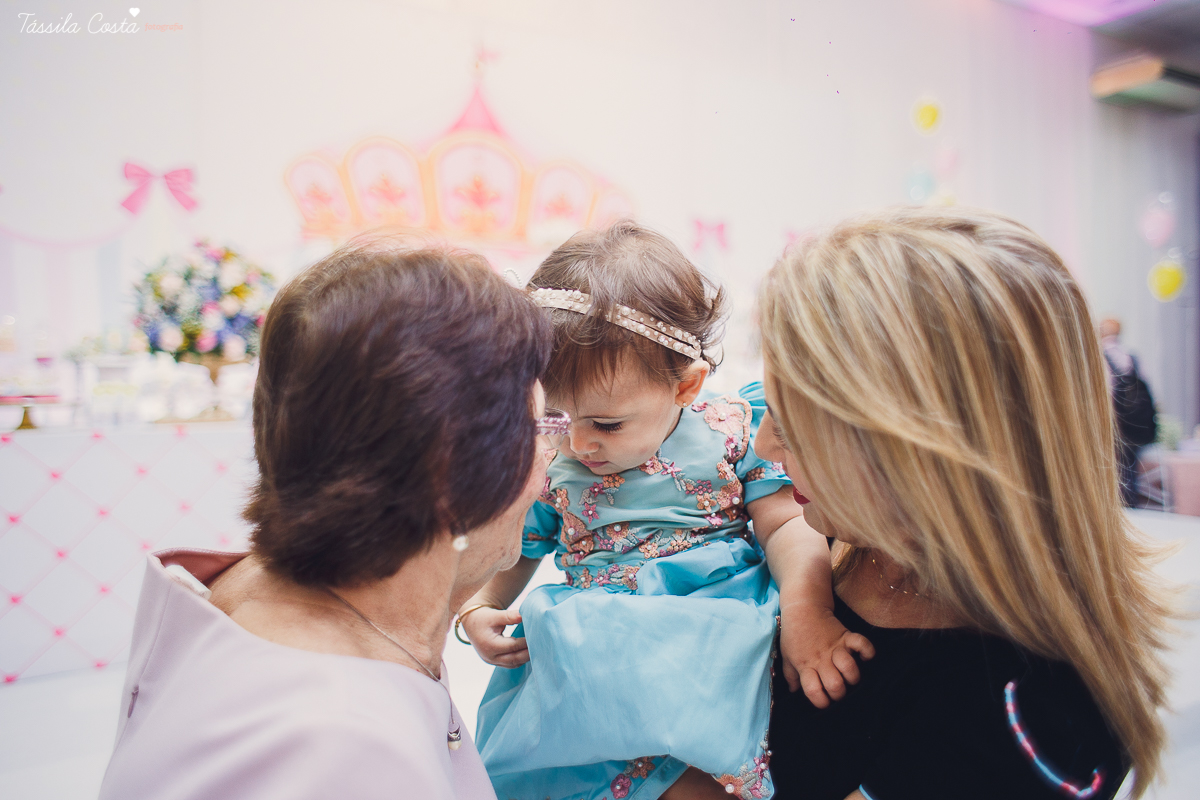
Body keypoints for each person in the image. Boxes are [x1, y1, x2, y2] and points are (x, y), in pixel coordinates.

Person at [99, 239, 558, 799]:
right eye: (539, 430)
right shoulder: (343, 751)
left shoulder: (248, 590)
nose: (551, 463)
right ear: (452, 475)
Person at [756, 207, 1173, 800]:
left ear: (930, 449)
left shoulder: (1036, 718)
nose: (762, 444)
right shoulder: (831, 534)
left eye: (798, 420)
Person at [462, 221, 871, 800]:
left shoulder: (732, 432)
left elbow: (786, 525)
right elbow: (515, 551)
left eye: (606, 423)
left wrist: (809, 616)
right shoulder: (550, 462)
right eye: (556, 415)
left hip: (713, 643)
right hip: (597, 661)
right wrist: (479, 609)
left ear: (686, 386)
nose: (580, 444)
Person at [1098, 317, 1158, 506]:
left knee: (1114, 469)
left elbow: (1105, 393)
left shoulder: (1100, 356)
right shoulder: (1131, 357)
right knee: (1129, 468)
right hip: (1136, 424)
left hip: (1115, 423)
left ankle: (1122, 507)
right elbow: (1147, 388)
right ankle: (1130, 504)